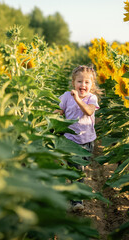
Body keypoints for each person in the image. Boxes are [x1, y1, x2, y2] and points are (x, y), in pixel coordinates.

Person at [54, 65, 101, 211]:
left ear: (92, 85)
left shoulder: (91, 98)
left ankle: (71, 188)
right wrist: (55, 113)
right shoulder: (67, 96)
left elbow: (88, 111)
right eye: (79, 81)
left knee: (80, 167)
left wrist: (78, 100)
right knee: (77, 170)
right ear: (74, 83)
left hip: (87, 142)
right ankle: (76, 201)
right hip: (70, 140)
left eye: (87, 82)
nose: (83, 85)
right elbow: (59, 110)